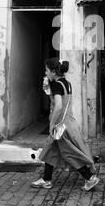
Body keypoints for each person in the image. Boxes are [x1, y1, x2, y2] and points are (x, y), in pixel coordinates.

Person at [31, 58, 100, 191]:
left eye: (46, 71)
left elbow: (58, 106)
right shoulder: (66, 83)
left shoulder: (57, 85)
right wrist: (47, 87)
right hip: (69, 122)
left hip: (61, 126)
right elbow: (61, 99)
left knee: (69, 153)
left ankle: (90, 178)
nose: (45, 74)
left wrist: (51, 125)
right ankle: (46, 179)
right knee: (51, 150)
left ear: (53, 71)